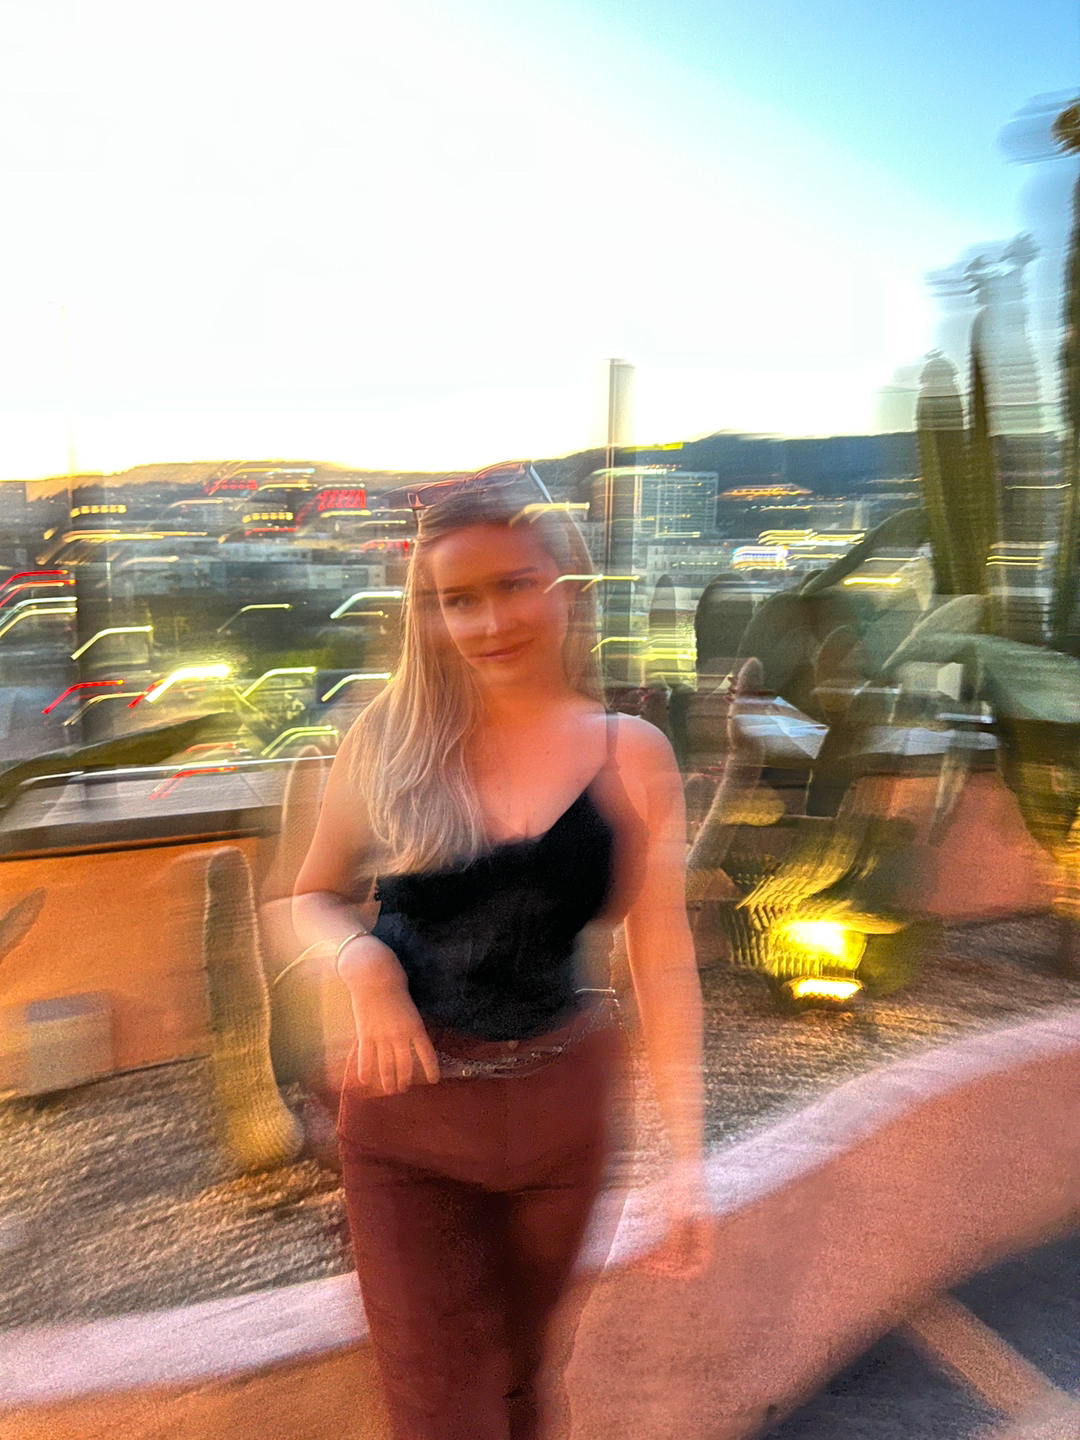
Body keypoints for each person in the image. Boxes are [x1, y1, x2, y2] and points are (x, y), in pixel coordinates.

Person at [293, 474, 705, 1440]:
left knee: (524, 1384)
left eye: (515, 585)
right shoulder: (390, 742)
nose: (490, 622)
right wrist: (364, 965)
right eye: (458, 599)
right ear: (429, 615)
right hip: (410, 1120)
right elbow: (304, 896)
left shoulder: (632, 754)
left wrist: (686, 1160)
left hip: (565, 1113)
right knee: (444, 1413)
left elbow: (661, 960)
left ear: (564, 584)